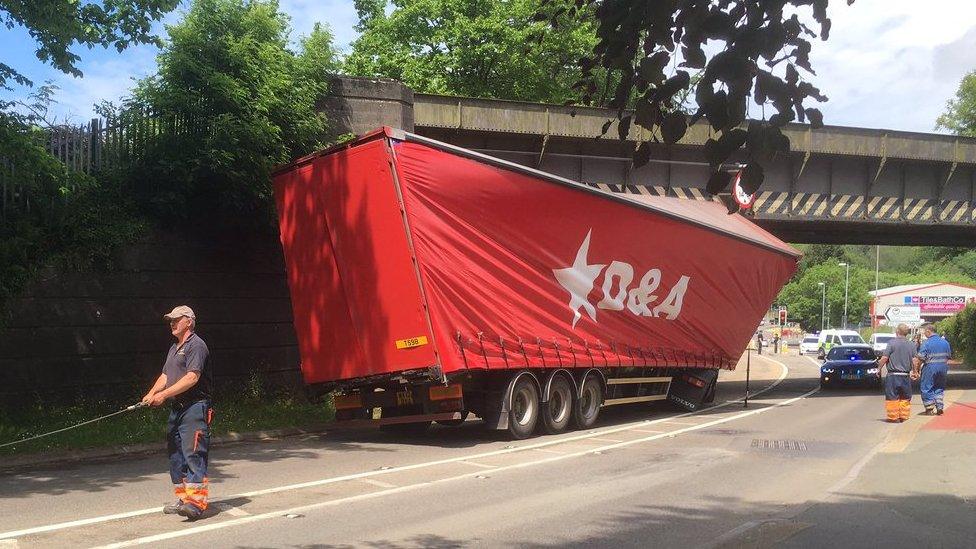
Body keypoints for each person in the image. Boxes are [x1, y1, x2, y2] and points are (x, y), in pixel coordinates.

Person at [142, 305, 214, 520]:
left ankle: (196, 503)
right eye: (170, 320)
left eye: (176, 319)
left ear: (189, 322)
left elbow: (192, 378)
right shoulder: (174, 348)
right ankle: (183, 499)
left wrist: (163, 396)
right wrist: (152, 392)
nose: (172, 323)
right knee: (176, 454)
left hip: (195, 407)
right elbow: (166, 375)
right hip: (178, 408)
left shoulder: (196, 346)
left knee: (193, 453)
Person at [876, 324, 915, 423]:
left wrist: (879, 368)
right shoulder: (911, 344)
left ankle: (894, 417)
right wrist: (915, 371)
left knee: (892, 397)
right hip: (905, 376)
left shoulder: (892, 343)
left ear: (897, 331)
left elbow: (884, 358)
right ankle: (903, 416)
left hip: (893, 376)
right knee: (905, 397)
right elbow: (915, 360)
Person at [914, 323, 951, 415]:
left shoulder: (927, 343)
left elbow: (920, 358)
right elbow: (948, 356)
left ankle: (929, 408)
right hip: (943, 367)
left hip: (930, 367)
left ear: (928, 331)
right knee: (939, 387)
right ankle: (939, 406)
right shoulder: (945, 342)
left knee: (926, 387)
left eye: (924, 332)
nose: (924, 334)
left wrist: (917, 370)